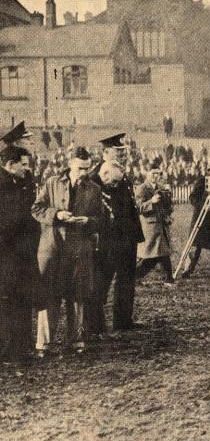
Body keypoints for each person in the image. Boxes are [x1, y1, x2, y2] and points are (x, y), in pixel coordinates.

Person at [32, 147, 107, 357]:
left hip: (79, 250)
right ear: (70, 163)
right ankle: (44, 344)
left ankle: (76, 340)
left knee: (77, 296)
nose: (84, 172)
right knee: (49, 296)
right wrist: (57, 215)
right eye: (80, 168)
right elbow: (36, 209)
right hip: (53, 248)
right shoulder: (52, 183)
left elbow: (101, 220)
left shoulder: (94, 189)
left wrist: (89, 222)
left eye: (87, 168)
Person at [88, 134, 145, 335]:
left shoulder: (122, 173)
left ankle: (123, 320)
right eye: (117, 152)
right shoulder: (96, 176)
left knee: (126, 280)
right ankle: (94, 326)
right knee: (102, 281)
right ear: (105, 153)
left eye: (122, 152)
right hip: (109, 238)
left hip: (127, 237)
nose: (121, 155)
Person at [0, 145, 38, 363]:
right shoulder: (4, 184)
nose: (27, 168)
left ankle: (20, 347)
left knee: (21, 298)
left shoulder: (20, 181)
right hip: (7, 253)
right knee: (7, 301)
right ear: (10, 164)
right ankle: (8, 350)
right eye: (23, 164)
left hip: (21, 251)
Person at [180, 161, 210, 278]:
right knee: (195, 246)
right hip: (200, 220)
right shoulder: (202, 182)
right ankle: (188, 269)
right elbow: (192, 198)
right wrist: (204, 201)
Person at [135, 162, 175, 284]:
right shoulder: (142, 188)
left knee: (161, 252)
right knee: (153, 255)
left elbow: (166, 207)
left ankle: (169, 278)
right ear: (147, 173)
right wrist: (151, 201)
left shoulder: (159, 188)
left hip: (160, 225)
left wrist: (168, 200)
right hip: (150, 227)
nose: (156, 176)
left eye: (158, 173)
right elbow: (138, 208)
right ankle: (135, 276)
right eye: (153, 173)